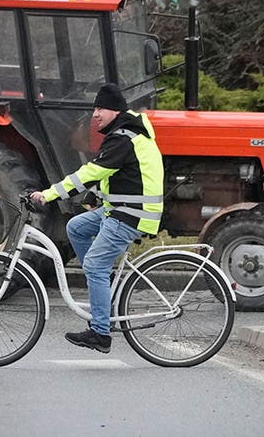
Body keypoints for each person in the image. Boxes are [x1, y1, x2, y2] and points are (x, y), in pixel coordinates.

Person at [31, 83, 164, 354]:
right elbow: (110, 175)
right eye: (94, 109)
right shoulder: (123, 134)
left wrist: (51, 194)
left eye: (100, 108)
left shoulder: (123, 137)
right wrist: (92, 199)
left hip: (132, 213)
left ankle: (101, 334)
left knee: (93, 264)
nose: (95, 114)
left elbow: (92, 171)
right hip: (121, 206)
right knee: (76, 227)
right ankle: (103, 280)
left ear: (115, 111)